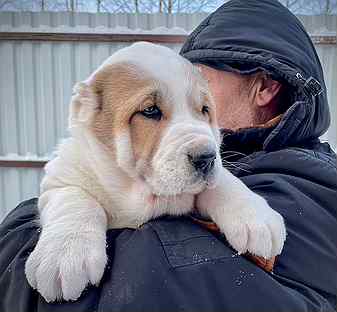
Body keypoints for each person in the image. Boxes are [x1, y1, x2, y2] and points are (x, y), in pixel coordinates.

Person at [0, 0, 336, 311]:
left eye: (201, 94)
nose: (200, 125)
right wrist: (73, 209)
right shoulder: (242, 154)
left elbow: (143, 283)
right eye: (156, 108)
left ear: (264, 88)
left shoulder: (306, 190)